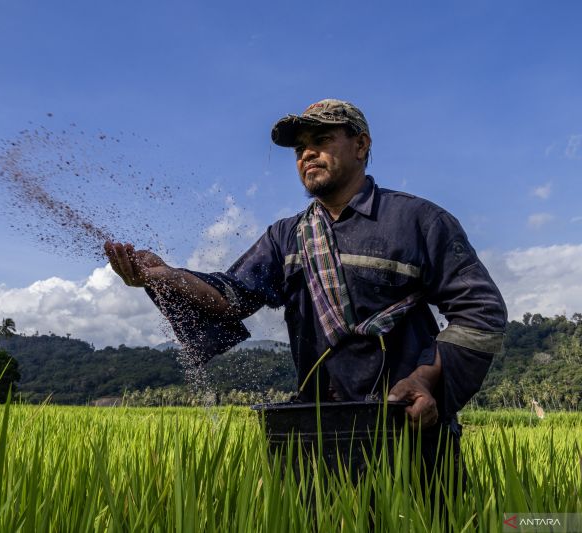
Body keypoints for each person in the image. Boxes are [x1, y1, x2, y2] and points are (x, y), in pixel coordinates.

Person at [104, 99, 507, 473]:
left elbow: (480, 310)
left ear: (361, 145)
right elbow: (231, 299)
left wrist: (424, 380)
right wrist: (166, 276)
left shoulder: (418, 221)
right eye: (300, 148)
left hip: (406, 422)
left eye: (320, 140)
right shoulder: (287, 236)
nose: (306, 154)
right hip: (318, 432)